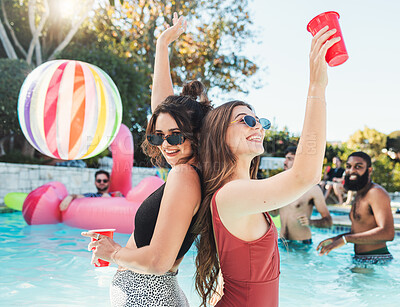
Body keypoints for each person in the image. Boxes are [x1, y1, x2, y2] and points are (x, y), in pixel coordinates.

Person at [194, 26, 340, 307]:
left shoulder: (242, 193)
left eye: (259, 120)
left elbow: (228, 276)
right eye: (246, 120)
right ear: (218, 135)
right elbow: (306, 174)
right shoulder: (231, 194)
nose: (257, 125)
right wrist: (316, 86)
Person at [82, 14, 212, 306]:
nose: (166, 144)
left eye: (176, 136)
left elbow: (158, 261)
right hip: (156, 293)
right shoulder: (194, 171)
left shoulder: (184, 176)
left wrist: (112, 252)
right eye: (158, 136)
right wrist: (162, 45)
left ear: (197, 134)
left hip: (147, 295)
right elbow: (164, 110)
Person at [317, 151, 395, 263]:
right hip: (362, 259)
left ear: (369, 170)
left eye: (358, 167)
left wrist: (346, 239)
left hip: (376, 259)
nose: (352, 170)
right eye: (348, 166)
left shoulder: (376, 193)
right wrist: (337, 239)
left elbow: (388, 233)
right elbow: (360, 230)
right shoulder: (360, 193)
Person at [276, 146, 332, 245]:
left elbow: (328, 222)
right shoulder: (280, 186)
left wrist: (310, 222)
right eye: (286, 158)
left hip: (302, 245)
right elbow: (274, 213)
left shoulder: (312, 189)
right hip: (282, 243)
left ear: (300, 162)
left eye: (289, 159)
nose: (285, 162)